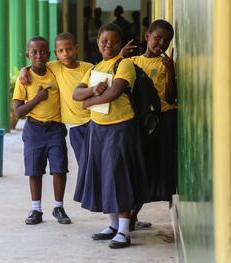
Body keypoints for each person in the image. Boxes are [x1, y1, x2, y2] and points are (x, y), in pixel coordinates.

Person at [73, 23, 148, 249]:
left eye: (114, 41)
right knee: (104, 176)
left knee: (119, 175)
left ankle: (124, 231)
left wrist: (88, 101)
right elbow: (76, 93)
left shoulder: (124, 64)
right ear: (97, 43)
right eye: (104, 41)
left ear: (120, 43)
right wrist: (92, 92)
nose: (109, 45)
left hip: (120, 127)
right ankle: (113, 225)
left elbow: (114, 92)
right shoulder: (95, 68)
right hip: (98, 128)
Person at [12, 36, 71, 225]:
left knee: (59, 169)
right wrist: (37, 98)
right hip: (34, 129)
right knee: (34, 171)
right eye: (34, 52)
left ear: (50, 54)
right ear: (27, 55)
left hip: (55, 128)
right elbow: (18, 112)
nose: (39, 55)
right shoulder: (25, 79)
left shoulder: (55, 70)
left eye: (43, 51)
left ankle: (58, 207)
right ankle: (36, 209)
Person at [19, 32, 93, 165]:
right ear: (55, 53)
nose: (65, 53)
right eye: (61, 51)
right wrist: (24, 70)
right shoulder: (55, 66)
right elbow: (37, 63)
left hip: (93, 121)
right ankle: (86, 186)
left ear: (76, 49)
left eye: (69, 49)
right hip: (75, 125)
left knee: (97, 161)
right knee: (83, 163)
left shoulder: (88, 68)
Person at [130, 19, 177, 229]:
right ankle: (129, 216)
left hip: (162, 120)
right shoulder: (132, 62)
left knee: (150, 168)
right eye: (157, 38)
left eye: (166, 41)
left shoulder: (166, 64)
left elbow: (170, 98)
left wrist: (171, 72)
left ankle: (131, 217)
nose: (161, 44)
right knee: (137, 168)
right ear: (147, 36)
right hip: (139, 122)